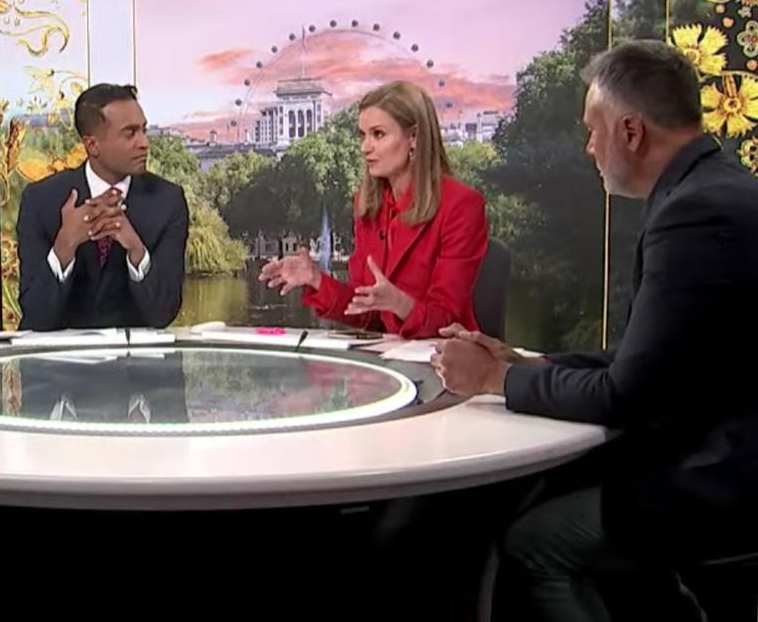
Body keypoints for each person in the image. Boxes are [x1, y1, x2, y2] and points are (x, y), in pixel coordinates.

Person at [433, 40, 758, 621]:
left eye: (592, 130)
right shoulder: (717, 187)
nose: (588, 147)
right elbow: (646, 360)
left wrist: (494, 379)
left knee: (535, 547)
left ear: (630, 131)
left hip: (726, 478)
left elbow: (627, 396)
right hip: (720, 450)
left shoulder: (694, 214)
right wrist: (533, 365)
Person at [259, 80, 488, 338]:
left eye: (378, 134)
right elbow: (364, 311)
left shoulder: (461, 205)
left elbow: (447, 321)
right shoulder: (367, 205)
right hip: (390, 360)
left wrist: (399, 303)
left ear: (414, 137)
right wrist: (316, 279)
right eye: (363, 135)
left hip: (446, 362)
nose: (365, 147)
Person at [16, 83, 189, 330]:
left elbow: (163, 314)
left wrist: (136, 250)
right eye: (130, 133)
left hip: (137, 365)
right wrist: (65, 245)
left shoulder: (167, 201)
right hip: (57, 365)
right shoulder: (41, 200)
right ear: (92, 145)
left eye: (143, 130)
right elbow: (36, 315)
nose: (144, 143)